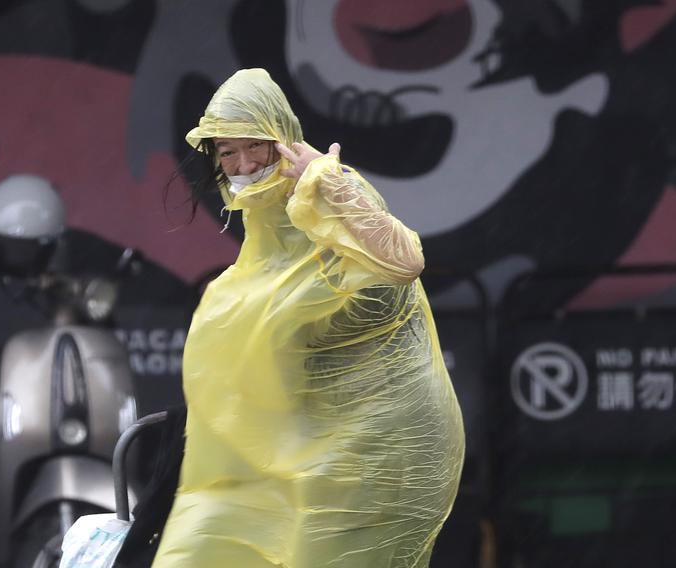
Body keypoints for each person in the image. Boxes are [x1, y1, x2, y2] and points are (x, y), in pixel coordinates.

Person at [152, 68, 465, 568]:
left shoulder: (329, 188)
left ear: (282, 139)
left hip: (375, 449)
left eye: (254, 145)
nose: (243, 164)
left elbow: (405, 261)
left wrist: (329, 184)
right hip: (307, 448)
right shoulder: (260, 242)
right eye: (226, 152)